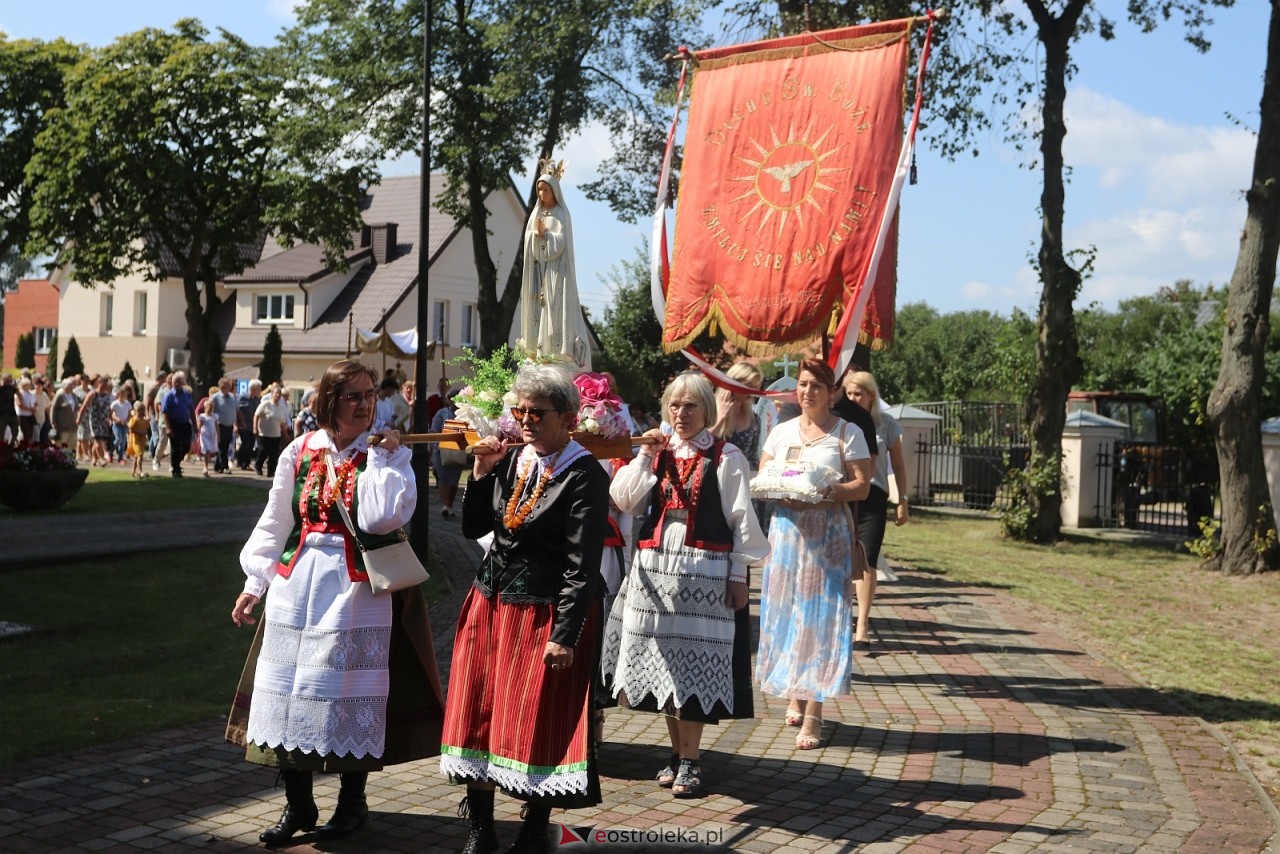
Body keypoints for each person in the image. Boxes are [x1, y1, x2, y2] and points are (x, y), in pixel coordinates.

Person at [228, 358, 444, 846]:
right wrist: (253, 586)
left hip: (357, 593)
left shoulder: (384, 454)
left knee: (351, 699)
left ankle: (352, 805)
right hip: (296, 587)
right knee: (287, 699)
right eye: (354, 396)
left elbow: (382, 518)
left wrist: (386, 460)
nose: (366, 404)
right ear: (330, 401)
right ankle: (298, 806)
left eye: (370, 395)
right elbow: (276, 521)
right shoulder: (299, 451)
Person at [441, 361, 609, 854]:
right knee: (479, 709)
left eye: (538, 412)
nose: (527, 420)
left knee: (534, 714)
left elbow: (582, 565)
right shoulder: (516, 460)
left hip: (542, 610)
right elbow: (475, 528)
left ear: (569, 418)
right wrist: (480, 472)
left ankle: (535, 826)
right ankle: (481, 827)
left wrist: (566, 634)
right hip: (490, 600)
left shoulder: (585, 476)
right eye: (521, 411)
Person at [603, 372, 769, 798]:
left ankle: (691, 760)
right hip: (655, 567)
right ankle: (678, 754)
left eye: (691, 405)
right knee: (667, 666)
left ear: (706, 410)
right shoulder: (655, 452)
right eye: (675, 405)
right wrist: (643, 457)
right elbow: (624, 500)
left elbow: (740, 520)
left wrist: (738, 577)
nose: (681, 413)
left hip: (704, 569)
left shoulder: (725, 455)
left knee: (692, 662)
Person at [755, 359, 871, 750]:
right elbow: (765, 474)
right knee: (789, 614)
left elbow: (861, 486)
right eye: (803, 385)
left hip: (828, 535)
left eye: (817, 386)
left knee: (821, 620)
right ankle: (793, 690)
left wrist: (828, 491)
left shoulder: (847, 432)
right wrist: (780, 488)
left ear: (832, 392)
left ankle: (815, 712)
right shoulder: (782, 431)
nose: (808, 392)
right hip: (787, 534)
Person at [843, 371, 911, 648]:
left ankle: (862, 624)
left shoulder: (886, 425)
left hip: (875, 496)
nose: (853, 398)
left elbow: (899, 465)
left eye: (858, 393)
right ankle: (842, 617)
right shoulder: (841, 423)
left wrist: (902, 500)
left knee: (868, 558)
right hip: (846, 495)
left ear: (871, 395)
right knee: (843, 557)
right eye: (849, 393)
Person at [518, 168, 590, 368]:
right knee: (539, 313)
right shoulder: (536, 215)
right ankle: (540, 352)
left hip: (557, 274)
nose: (541, 195)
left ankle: (556, 352)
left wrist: (545, 234)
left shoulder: (561, 214)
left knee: (555, 312)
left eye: (545, 190)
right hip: (539, 273)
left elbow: (559, 245)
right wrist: (536, 235)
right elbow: (529, 243)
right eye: (539, 190)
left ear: (554, 191)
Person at [429, 392, 463, 518]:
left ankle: (450, 505)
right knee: (443, 478)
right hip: (441, 450)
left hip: (459, 450)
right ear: (450, 400)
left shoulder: (465, 414)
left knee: (454, 480)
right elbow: (434, 430)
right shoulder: (442, 413)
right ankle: (444, 505)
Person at [161, 371, 196, 478]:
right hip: (174, 424)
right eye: (175, 382)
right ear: (172, 383)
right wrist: (168, 427)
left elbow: (191, 410)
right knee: (175, 448)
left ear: (182, 383)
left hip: (185, 424)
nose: (177, 384)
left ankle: (175, 464)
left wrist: (195, 424)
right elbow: (165, 412)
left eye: (179, 382)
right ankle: (176, 469)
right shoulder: (169, 396)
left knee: (186, 446)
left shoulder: (187, 395)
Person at [254, 385, 289, 478]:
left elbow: (282, 424)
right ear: (272, 394)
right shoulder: (266, 404)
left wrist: (285, 435)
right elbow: (256, 415)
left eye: (279, 394)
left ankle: (271, 472)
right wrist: (255, 428)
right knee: (263, 451)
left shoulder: (281, 408)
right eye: (276, 393)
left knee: (274, 455)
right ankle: (258, 466)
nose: (277, 395)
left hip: (275, 435)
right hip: (264, 434)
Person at [79, 375, 114, 466]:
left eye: (106, 385)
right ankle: (101, 459)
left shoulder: (107, 396)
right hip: (94, 420)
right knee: (98, 439)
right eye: (103, 384)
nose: (105, 386)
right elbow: (84, 406)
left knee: (99, 440)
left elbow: (108, 408)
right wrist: (79, 418)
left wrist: (110, 418)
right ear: (99, 383)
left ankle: (94, 458)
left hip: (103, 421)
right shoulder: (93, 393)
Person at [211, 378, 239, 473]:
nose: (225, 388)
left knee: (225, 446)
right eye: (223, 386)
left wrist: (237, 423)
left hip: (229, 425)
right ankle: (224, 466)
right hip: (220, 425)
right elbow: (210, 411)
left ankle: (217, 466)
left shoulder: (233, 397)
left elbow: (236, 411)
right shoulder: (215, 397)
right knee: (221, 446)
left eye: (226, 386)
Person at [51, 379, 78, 448]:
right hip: (62, 424)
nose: (71, 387)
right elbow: (53, 409)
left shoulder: (74, 395)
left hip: (72, 424)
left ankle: (69, 456)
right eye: (69, 385)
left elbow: (76, 406)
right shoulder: (60, 396)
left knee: (72, 443)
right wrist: (53, 422)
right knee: (62, 442)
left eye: (72, 385)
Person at [127, 400, 150, 479]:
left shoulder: (143, 420)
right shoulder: (135, 419)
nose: (142, 411)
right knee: (139, 455)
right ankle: (140, 471)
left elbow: (146, 428)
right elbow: (130, 428)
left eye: (143, 410)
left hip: (142, 441)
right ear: (136, 411)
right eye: (141, 410)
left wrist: (147, 420)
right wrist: (140, 432)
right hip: (136, 440)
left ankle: (133, 471)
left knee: (137, 456)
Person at [110, 386, 133, 464]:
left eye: (125, 394)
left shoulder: (127, 404)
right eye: (122, 394)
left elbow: (130, 414)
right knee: (118, 439)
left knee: (123, 442)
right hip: (117, 424)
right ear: (119, 394)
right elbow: (111, 414)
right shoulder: (115, 403)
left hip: (124, 424)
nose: (124, 396)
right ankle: (110, 452)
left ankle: (120, 458)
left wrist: (126, 420)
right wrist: (117, 419)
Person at [197, 398, 219, 477]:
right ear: (205, 408)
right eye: (208, 407)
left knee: (210, 451)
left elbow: (216, 426)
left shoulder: (215, 416)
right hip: (205, 435)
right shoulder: (202, 416)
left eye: (211, 407)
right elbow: (199, 426)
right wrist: (198, 432)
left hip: (212, 435)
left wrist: (218, 435)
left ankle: (207, 464)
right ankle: (205, 467)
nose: (210, 409)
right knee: (207, 449)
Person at [15, 377, 37, 442]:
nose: (28, 386)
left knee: (30, 433)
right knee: (25, 433)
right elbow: (19, 405)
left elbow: (35, 402)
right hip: (23, 416)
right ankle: (23, 448)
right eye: (26, 385)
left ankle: (29, 448)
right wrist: (30, 409)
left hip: (30, 416)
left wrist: (35, 408)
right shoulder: (19, 393)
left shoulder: (31, 393)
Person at [0, 374, 17, 444]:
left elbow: (19, 395)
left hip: (12, 413)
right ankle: (2, 449)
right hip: (2, 414)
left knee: (15, 432)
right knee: (1, 433)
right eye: (7, 380)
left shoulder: (11, 388)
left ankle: (10, 446)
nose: (9, 382)